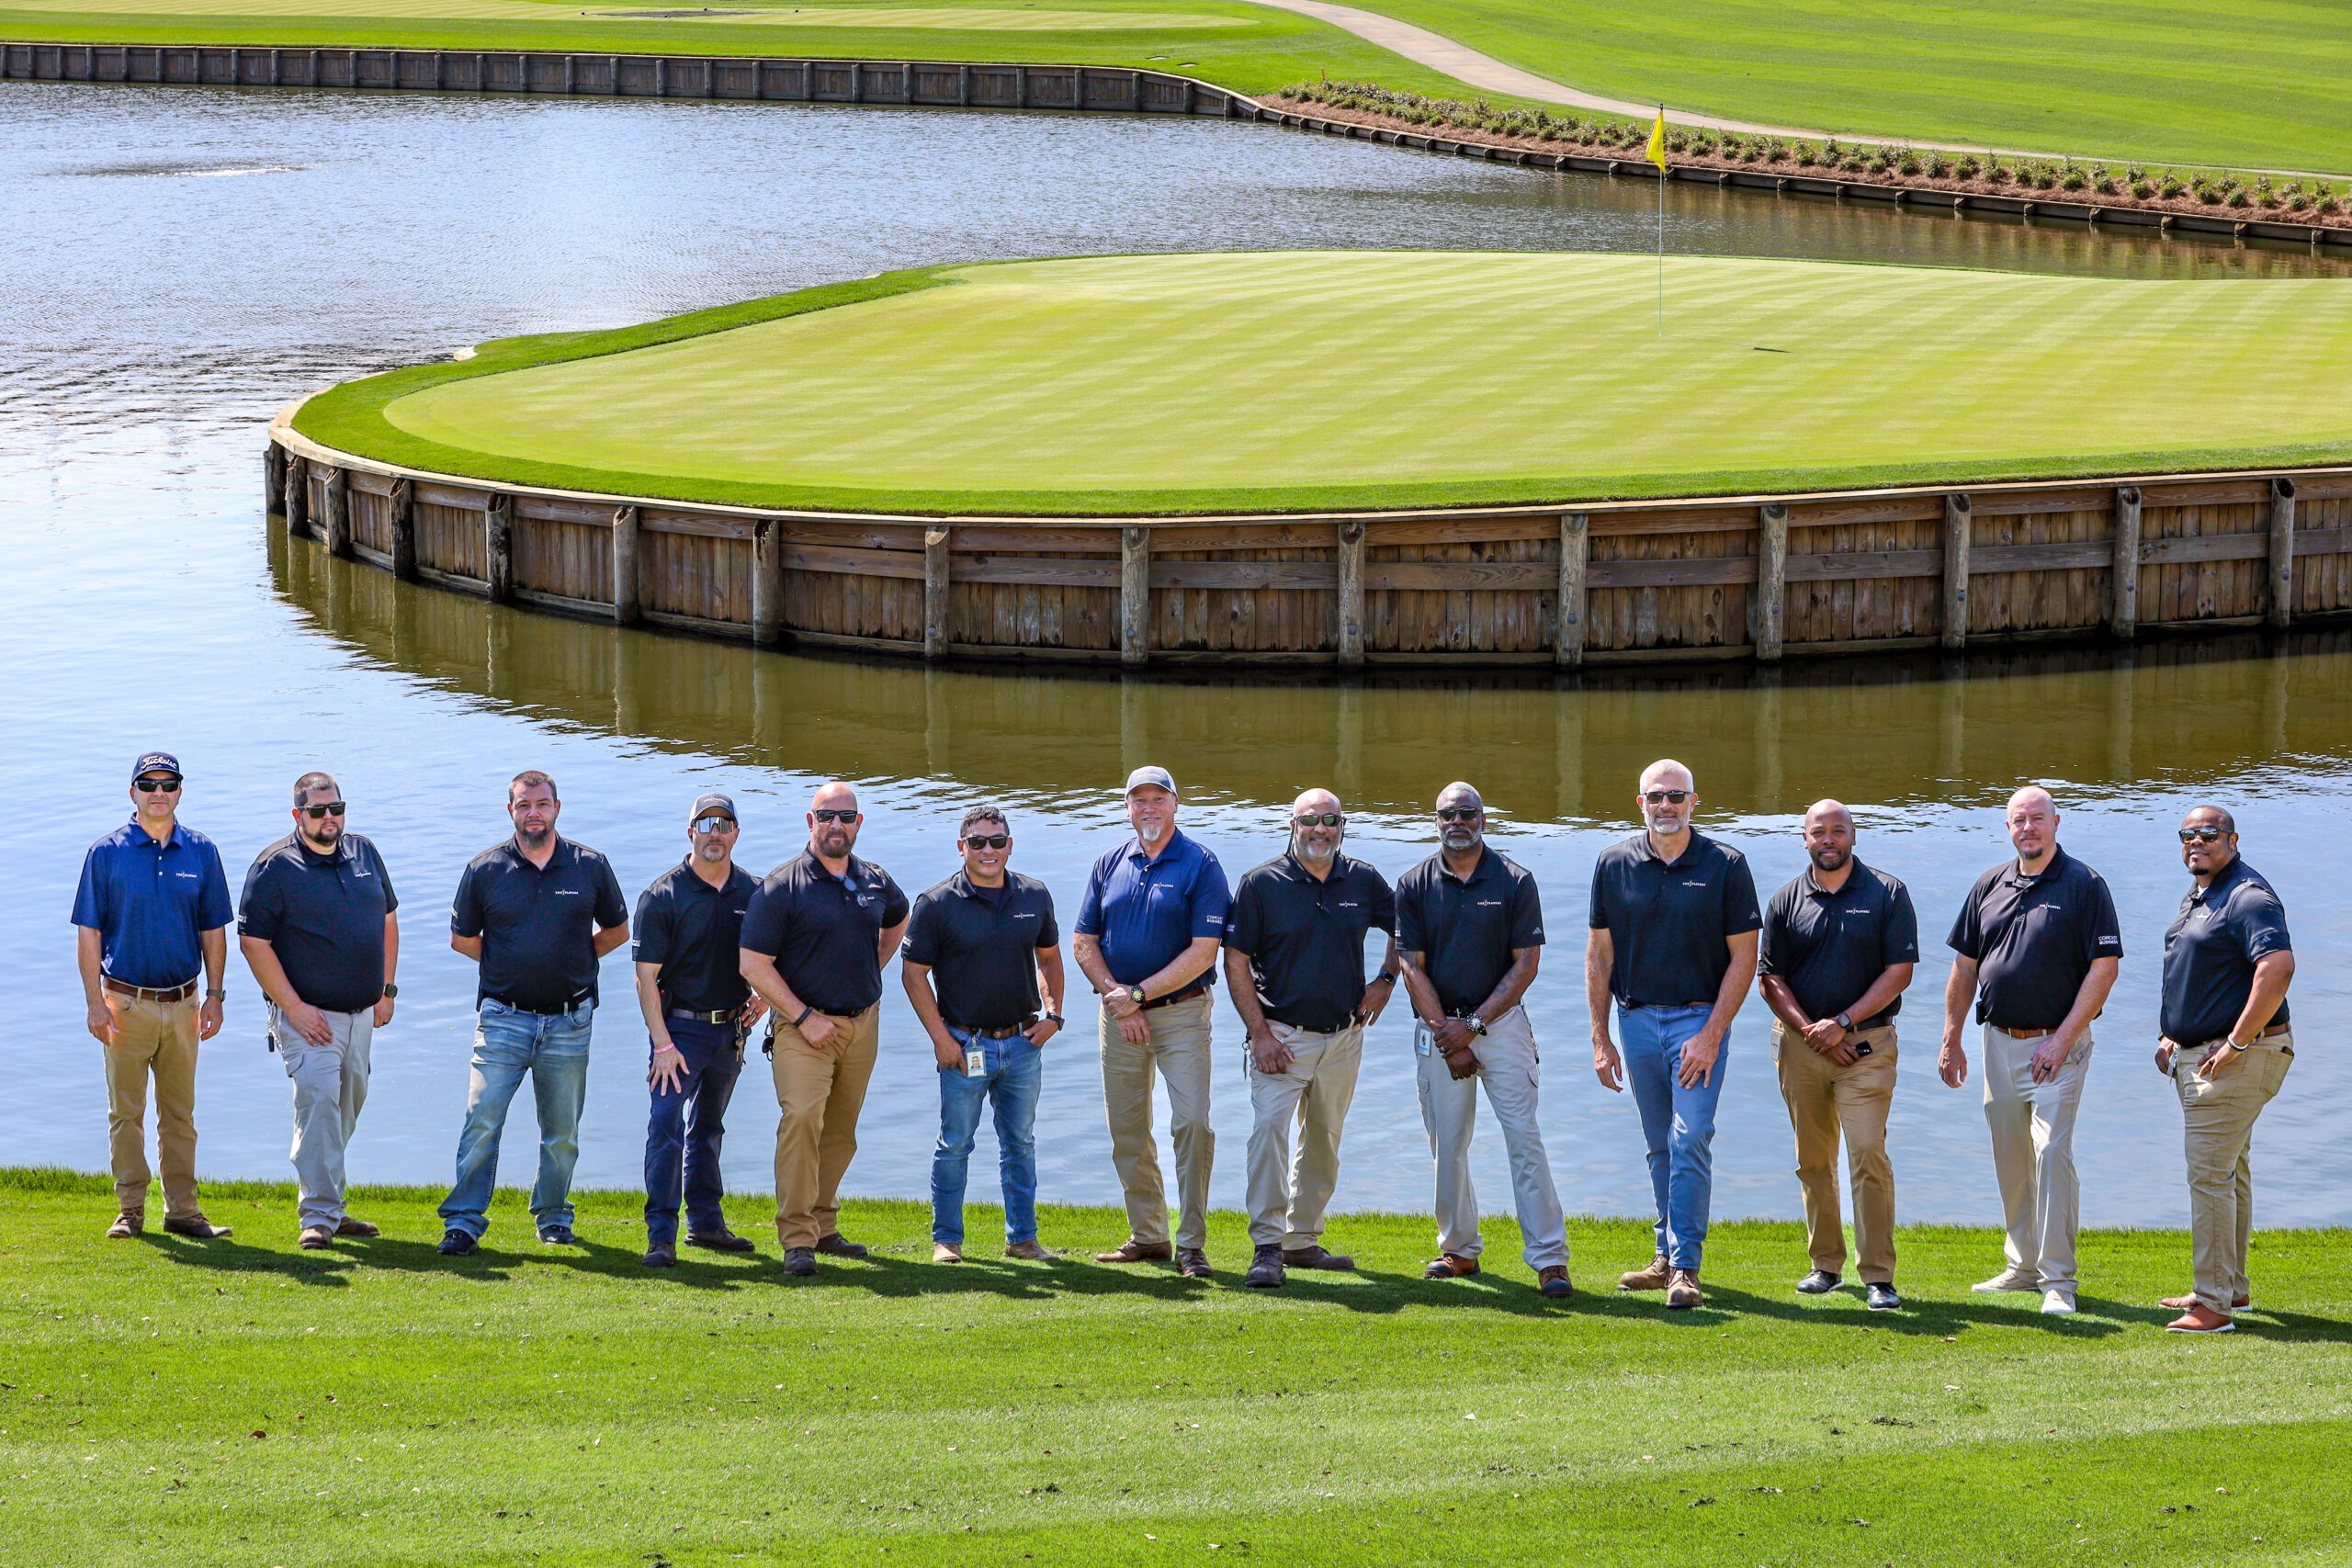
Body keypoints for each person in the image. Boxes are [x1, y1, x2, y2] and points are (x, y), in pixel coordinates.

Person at [1940, 784, 2121, 1315]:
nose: (2028, 828)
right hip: (1997, 1040)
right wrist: (1952, 1038)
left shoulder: (2085, 884)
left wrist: (2063, 1039)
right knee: (2011, 1156)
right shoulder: (1988, 885)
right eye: (2018, 821)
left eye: (2037, 819)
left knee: (2050, 1153)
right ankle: (2021, 1266)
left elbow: (2104, 968)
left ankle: (2058, 1281)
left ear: (2057, 823)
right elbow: (1964, 968)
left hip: (2059, 1045)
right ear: (2008, 828)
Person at [1588, 759, 1760, 1310]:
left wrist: (1712, 1033)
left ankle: (1687, 1266)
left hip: (1697, 1021)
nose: (1666, 805)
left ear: (1694, 802)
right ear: (1640, 803)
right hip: (1635, 1020)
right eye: (1656, 797)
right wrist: (1600, 1035)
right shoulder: (1613, 864)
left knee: (1691, 1136)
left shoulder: (1726, 865)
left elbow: (1744, 957)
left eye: (1676, 796)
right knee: (1659, 1143)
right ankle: (1664, 1258)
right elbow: (1599, 955)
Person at [437, 771, 628, 1256]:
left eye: (542, 804)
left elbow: (617, 930)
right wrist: (509, 961)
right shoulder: (486, 869)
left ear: (557, 808)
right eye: (524, 805)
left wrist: (574, 959)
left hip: (570, 1022)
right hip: (503, 1018)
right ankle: (462, 1223)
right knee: (482, 1119)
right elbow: (462, 940)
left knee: (561, 1132)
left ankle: (553, 1217)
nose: (533, 813)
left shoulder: (589, 865)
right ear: (511, 811)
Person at [1396, 782, 1571, 1299]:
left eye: (1467, 812)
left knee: (1525, 1140)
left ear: (1483, 819)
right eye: (1447, 814)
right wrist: (1449, 1037)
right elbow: (1410, 966)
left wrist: (1472, 1026)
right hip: (1438, 1029)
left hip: (1502, 1026)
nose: (1457, 821)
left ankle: (1549, 1259)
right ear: (1436, 821)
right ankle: (1459, 1248)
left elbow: (1526, 965)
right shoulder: (1413, 883)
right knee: (1447, 1146)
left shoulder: (1516, 880)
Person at [1223, 788, 1397, 1289]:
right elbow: (1235, 959)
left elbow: (1406, 930)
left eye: (1330, 821)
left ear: (1342, 827)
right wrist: (1259, 1034)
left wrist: (1385, 982)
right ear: (1292, 826)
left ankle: (1301, 1241)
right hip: (1280, 1034)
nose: (1320, 829)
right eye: (1310, 821)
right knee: (1269, 1135)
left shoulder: (1363, 880)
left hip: (1344, 1036)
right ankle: (1267, 1247)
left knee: (1323, 1140)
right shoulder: (1260, 884)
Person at [739, 781, 909, 1277]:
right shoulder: (781, 887)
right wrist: (804, 1017)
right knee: (802, 1122)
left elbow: (897, 922)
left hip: (862, 1024)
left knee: (841, 1130)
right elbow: (753, 964)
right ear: (809, 822)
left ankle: (823, 1223)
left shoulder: (875, 880)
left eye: (846, 816)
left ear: (859, 823)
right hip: (801, 1028)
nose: (837, 824)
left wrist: (872, 968)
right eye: (826, 816)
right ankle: (797, 1241)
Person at [1757, 800, 1917, 1311]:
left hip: (1867, 1046)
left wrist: (1842, 1023)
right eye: (1818, 832)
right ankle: (1825, 1266)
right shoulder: (1786, 899)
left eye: (1838, 831)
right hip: (1800, 1047)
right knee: (1813, 1160)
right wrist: (1810, 1030)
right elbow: (1770, 978)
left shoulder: (1887, 893)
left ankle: (1878, 1276)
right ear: (1804, 839)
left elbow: (1899, 972)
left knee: (1868, 1152)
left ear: (1853, 835)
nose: (1828, 839)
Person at [1073, 765, 1230, 1280]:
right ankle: (1149, 1236)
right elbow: (1083, 943)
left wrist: (1138, 994)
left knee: (1192, 1123)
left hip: (1182, 1013)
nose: (1148, 809)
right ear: (1127, 808)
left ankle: (1191, 1245)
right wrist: (1121, 1002)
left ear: (1175, 806)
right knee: (1128, 1130)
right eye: (1138, 800)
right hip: (1119, 1019)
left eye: (1158, 799)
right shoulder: (1108, 863)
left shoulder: (1201, 865)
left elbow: (1204, 952)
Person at [72, 751, 234, 1241]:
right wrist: (94, 1003)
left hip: (185, 1003)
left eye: (168, 784)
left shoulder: (201, 851)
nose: (159, 792)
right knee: (126, 1113)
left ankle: (183, 1211)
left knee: (180, 1115)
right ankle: (131, 1210)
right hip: (124, 1003)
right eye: (149, 784)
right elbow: (88, 934)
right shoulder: (107, 853)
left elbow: (214, 932)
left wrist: (216, 996)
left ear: (180, 791)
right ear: (133, 793)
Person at [237, 772, 401, 1249]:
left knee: (345, 1105)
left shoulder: (364, 852)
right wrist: (294, 1008)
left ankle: (329, 1200)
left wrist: (387, 989)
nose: (329, 819)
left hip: (362, 1013)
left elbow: (388, 920)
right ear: (298, 815)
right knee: (319, 1099)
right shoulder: (275, 867)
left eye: (336, 809)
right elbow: (253, 943)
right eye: (317, 811)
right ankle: (320, 1215)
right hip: (307, 1018)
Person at [901, 805, 1065, 1265]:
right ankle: (947, 1240)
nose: (988, 850)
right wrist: (940, 1038)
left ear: (1010, 845)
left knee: (1021, 1143)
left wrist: (1053, 1015)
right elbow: (914, 975)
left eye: (997, 841)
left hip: (1022, 1043)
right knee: (955, 1143)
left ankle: (1023, 1239)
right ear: (962, 847)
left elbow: (1049, 958)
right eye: (977, 842)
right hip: (962, 1045)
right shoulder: (936, 904)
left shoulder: (1034, 895)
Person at [2154, 807, 2295, 1335]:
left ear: (2232, 839)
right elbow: (2207, 972)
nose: (2196, 842)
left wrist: (2236, 1041)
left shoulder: (2247, 896)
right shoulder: (2206, 893)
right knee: (2229, 1171)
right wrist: (2176, 1032)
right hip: (2204, 1051)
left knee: (2209, 1175)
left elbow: (2277, 968)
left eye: (2208, 834)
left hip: (2235, 1057)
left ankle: (2213, 1307)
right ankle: (2229, 1286)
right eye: (2187, 835)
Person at [630, 792, 764, 1269]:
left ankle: (706, 1225)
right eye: (705, 823)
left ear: (735, 834)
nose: (715, 832)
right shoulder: (663, 895)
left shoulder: (755, 893)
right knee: (666, 1123)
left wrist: (764, 999)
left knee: (708, 1128)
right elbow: (645, 976)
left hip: (730, 1031)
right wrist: (662, 1044)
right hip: (678, 1035)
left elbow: (776, 956)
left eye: (724, 823)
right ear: (691, 832)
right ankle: (660, 1234)